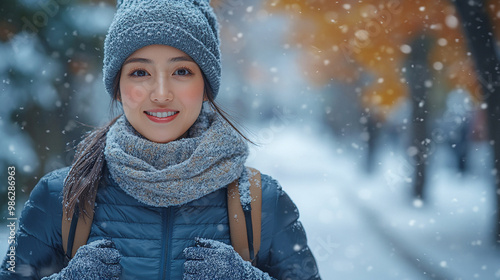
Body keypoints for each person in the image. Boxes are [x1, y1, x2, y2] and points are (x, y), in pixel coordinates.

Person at [1, 0, 321, 279]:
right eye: (140, 72)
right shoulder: (61, 198)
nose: (162, 93)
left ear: (207, 86)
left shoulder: (262, 203)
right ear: (117, 87)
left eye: (182, 72)